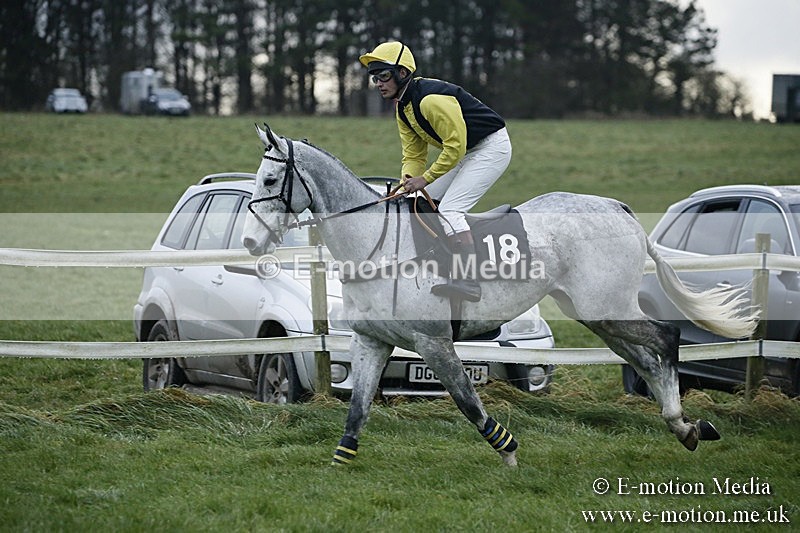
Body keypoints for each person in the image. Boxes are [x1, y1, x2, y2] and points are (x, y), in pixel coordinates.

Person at [359, 41, 512, 302]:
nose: (379, 83)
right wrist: (407, 182)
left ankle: (469, 280)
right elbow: (414, 155)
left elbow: (455, 147)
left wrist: (426, 178)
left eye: (383, 75)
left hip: (490, 148)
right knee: (416, 200)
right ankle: (441, 260)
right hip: (465, 152)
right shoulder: (403, 108)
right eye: (375, 78)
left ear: (402, 73)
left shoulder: (430, 100)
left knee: (451, 210)